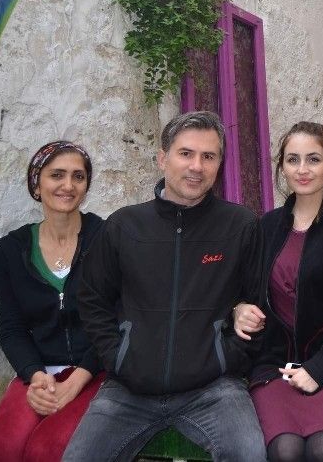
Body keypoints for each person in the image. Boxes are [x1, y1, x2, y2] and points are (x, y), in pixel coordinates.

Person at [64, 110, 265, 462]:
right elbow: (92, 298)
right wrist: (118, 357)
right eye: (186, 153)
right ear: (162, 158)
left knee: (249, 454)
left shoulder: (241, 226)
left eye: (208, 156)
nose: (197, 166)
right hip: (128, 391)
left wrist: (228, 353)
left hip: (213, 389)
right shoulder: (124, 226)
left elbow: (259, 301)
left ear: (219, 164)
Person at [234, 121, 323, 462]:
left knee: (322, 448)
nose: (302, 169)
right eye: (293, 160)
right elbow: (244, 292)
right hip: (274, 366)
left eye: (313, 159)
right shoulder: (266, 228)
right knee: (285, 450)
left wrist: (319, 367)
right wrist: (238, 309)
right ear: (282, 167)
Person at [0, 141, 106, 462]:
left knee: (47, 449)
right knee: (2, 449)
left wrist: (76, 381)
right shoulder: (9, 250)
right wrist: (35, 375)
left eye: (78, 176)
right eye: (56, 175)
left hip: (97, 371)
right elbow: (11, 329)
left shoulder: (107, 239)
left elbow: (119, 319)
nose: (68, 185)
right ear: (37, 184)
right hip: (39, 373)